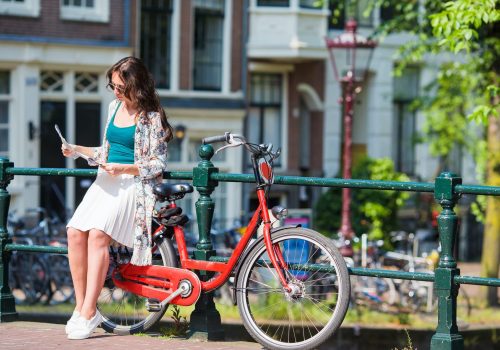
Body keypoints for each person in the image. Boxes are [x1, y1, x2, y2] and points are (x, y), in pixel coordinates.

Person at [60, 56, 173, 340]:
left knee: (98, 234)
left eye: (120, 86)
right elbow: (107, 151)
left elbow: (158, 163)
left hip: (132, 185)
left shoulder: (151, 117)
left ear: (136, 86)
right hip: (106, 181)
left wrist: (126, 168)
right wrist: (77, 149)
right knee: (74, 232)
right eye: (112, 85)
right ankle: (82, 306)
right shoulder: (113, 108)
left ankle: (88, 312)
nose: (115, 91)